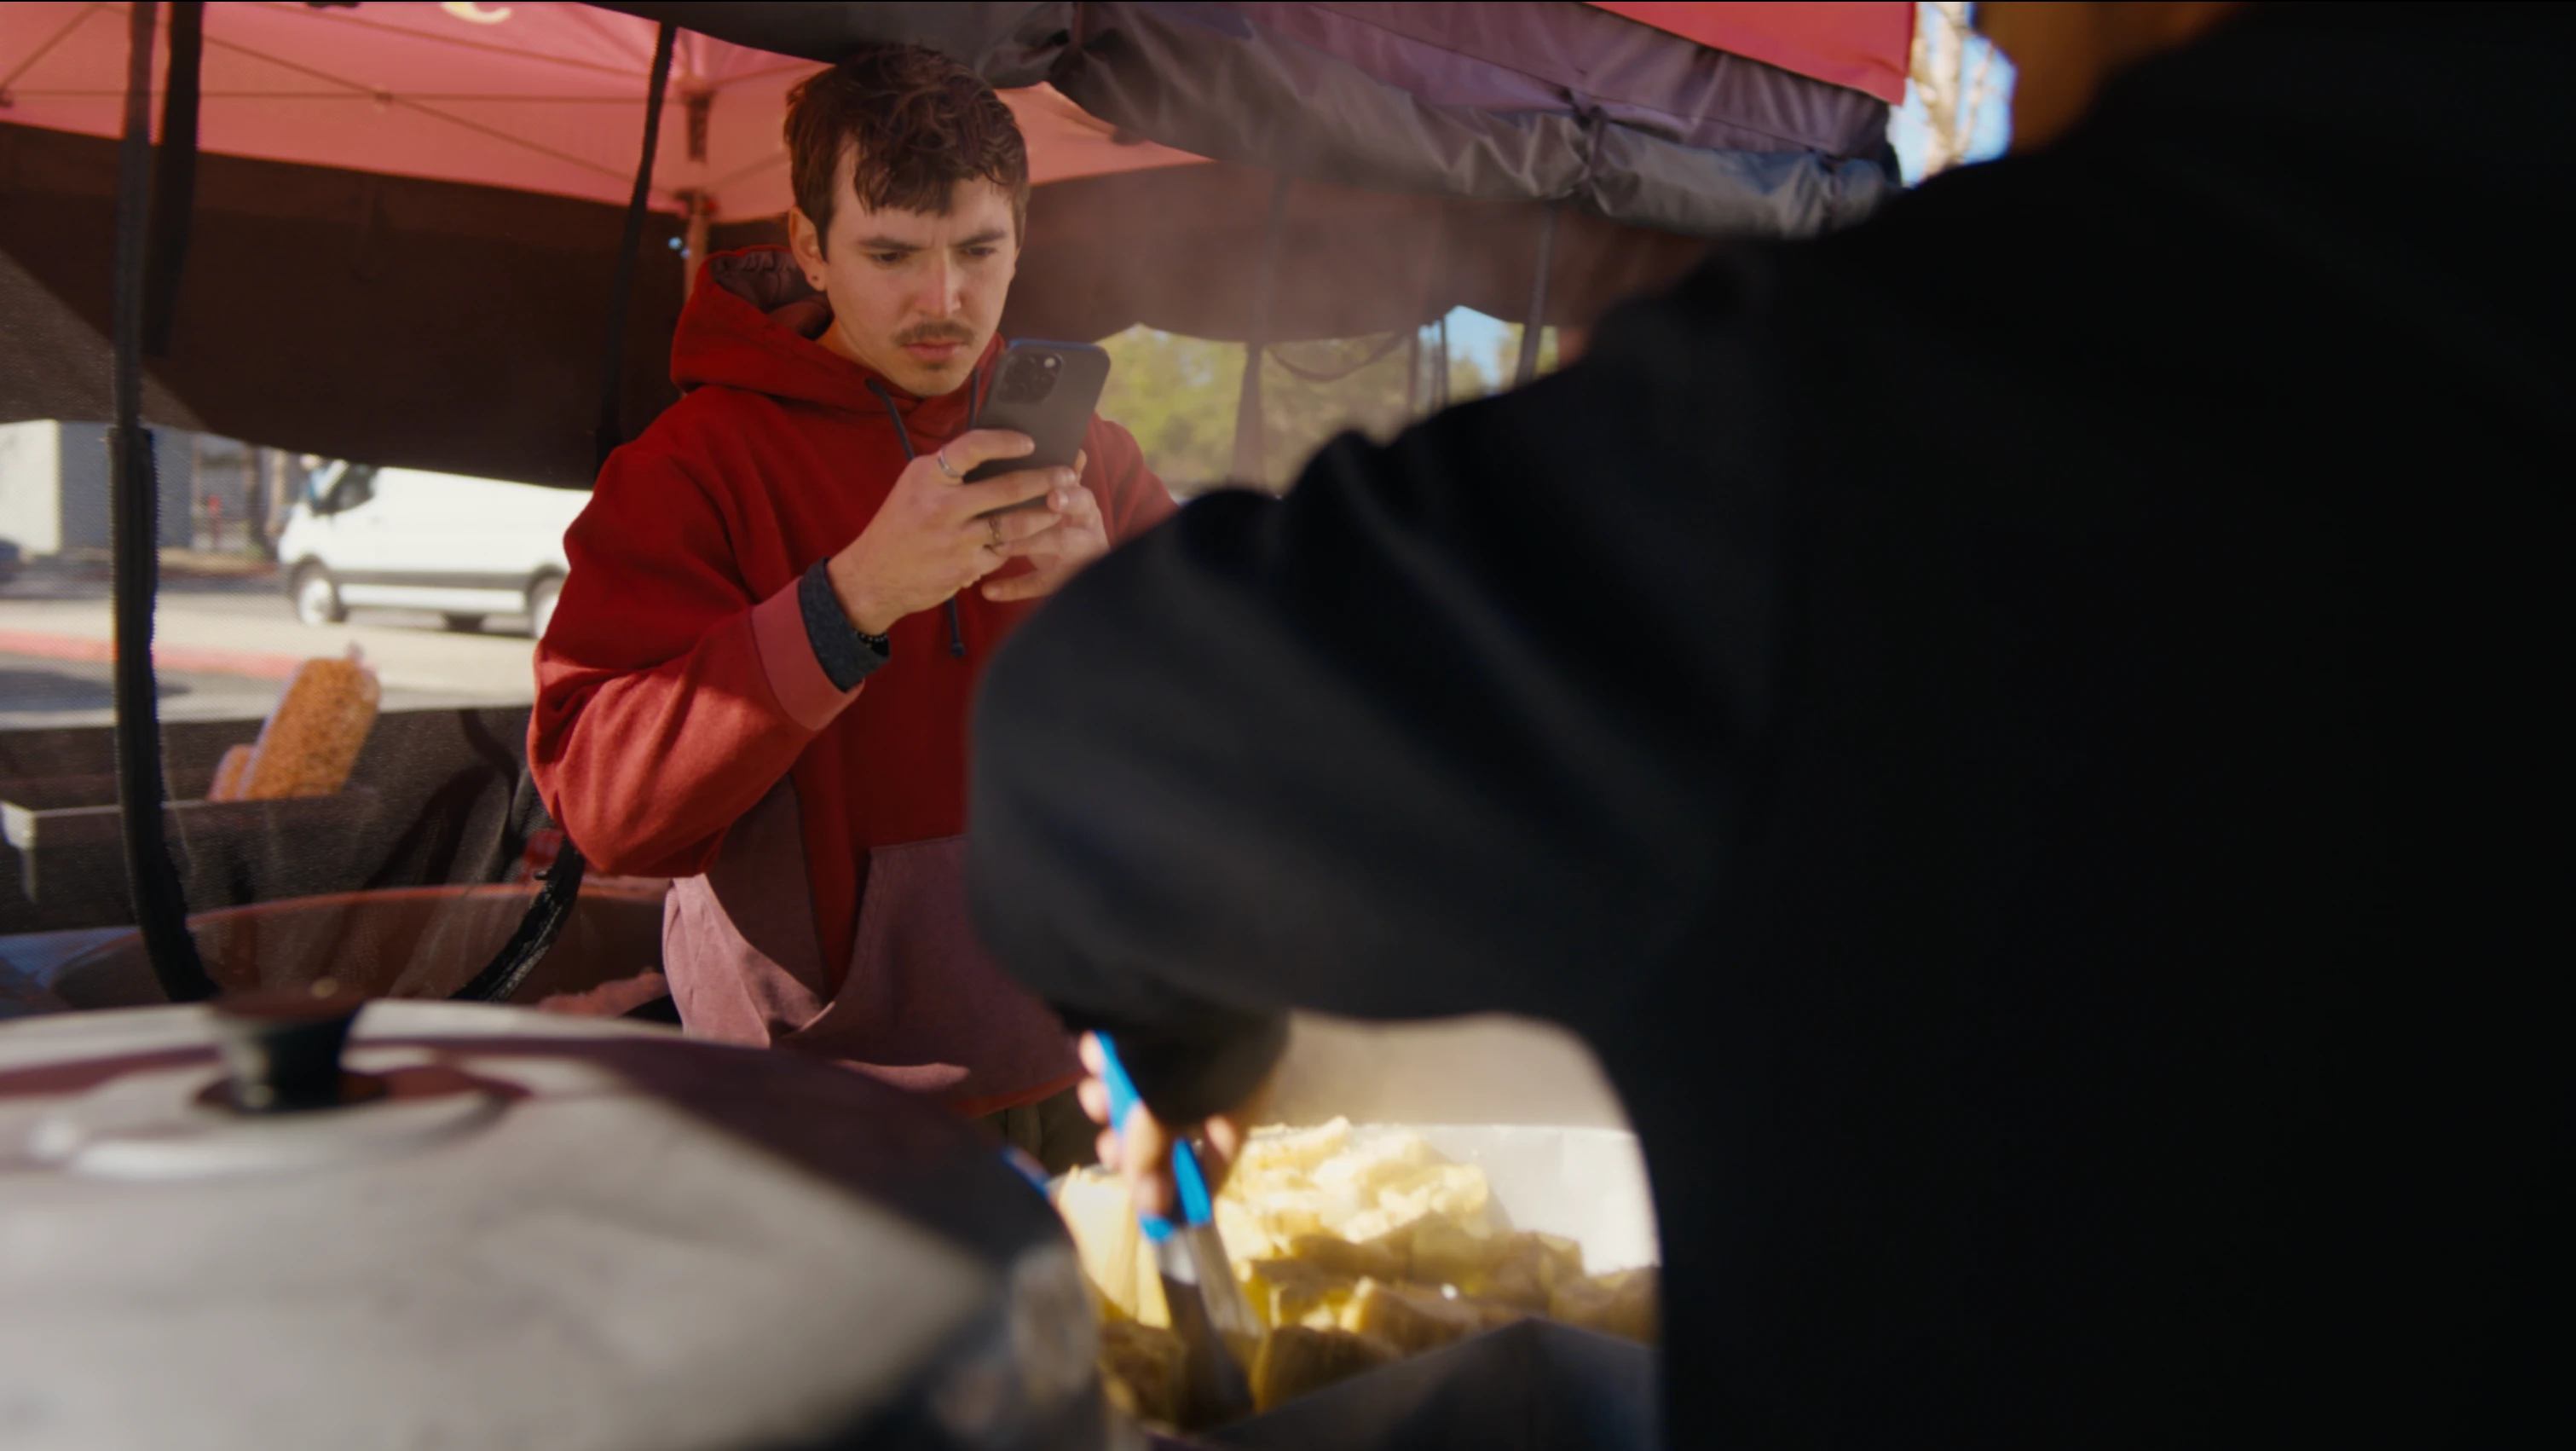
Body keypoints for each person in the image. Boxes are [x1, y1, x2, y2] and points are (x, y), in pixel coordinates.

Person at [967, 2, 2567, 1442]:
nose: (1998, 56)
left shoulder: (1917, 399)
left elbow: (1089, 758)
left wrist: (1206, 1051)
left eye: (2002, 10)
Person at [532, 43, 1172, 1170]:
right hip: (811, 1107)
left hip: (1089, 1063)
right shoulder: (690, 467)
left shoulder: (1097, 460)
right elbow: (608, 810)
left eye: (979, 250)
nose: (943, 300)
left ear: (1020, 242)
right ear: (808, 250)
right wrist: (848, 599)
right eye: (891, 254)